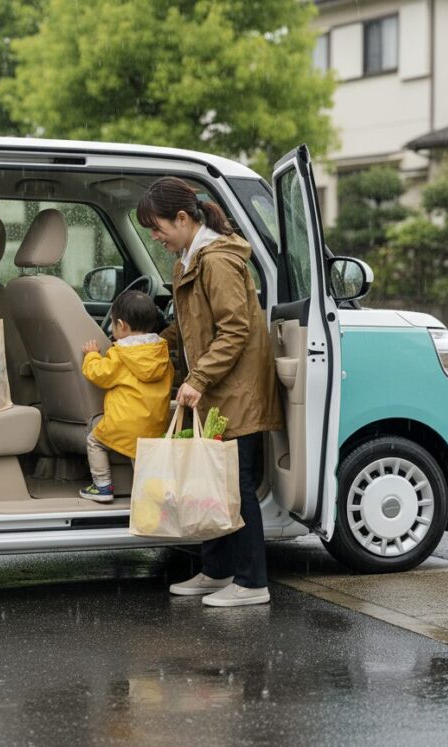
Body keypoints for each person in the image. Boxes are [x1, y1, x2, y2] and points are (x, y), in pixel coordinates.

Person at [136, 177, 284, 608]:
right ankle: (217, 571)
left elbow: (235, 328)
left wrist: (197, 379)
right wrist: (148, 345)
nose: (155, 237)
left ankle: (252, 582)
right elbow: (189, 328)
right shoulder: (191, 258)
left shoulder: (216, 260)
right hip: (217, 387)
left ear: (182, 219)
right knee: (210, 484)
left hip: (234, 389)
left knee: (235, 486)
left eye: (157, 228)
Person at [79, 290, 174, 503]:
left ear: (122, 326)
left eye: (112, 324)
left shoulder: (120, 354)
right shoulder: (161, 352)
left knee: (94, 440)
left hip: (123, 424)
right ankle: (150, 497)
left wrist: (92, 355)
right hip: (154, 424)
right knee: (141, 459)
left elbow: (99, 374)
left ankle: (102, 486)